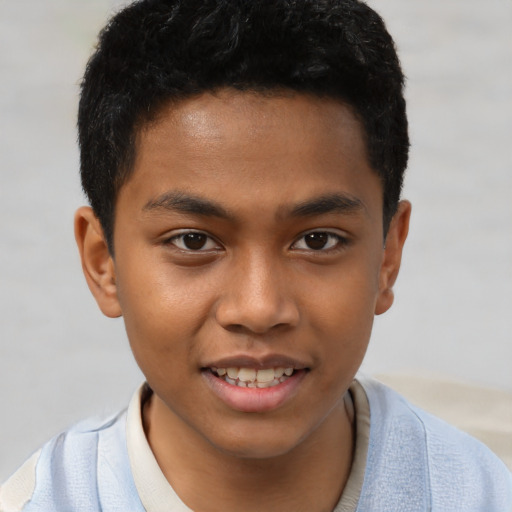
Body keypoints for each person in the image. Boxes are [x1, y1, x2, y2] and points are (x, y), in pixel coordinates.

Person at [1, 0, 511, 510]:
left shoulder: (477, 494)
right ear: (102, 262)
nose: (259, 308)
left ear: (387, 256)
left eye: (318, 240)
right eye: (193, 241)